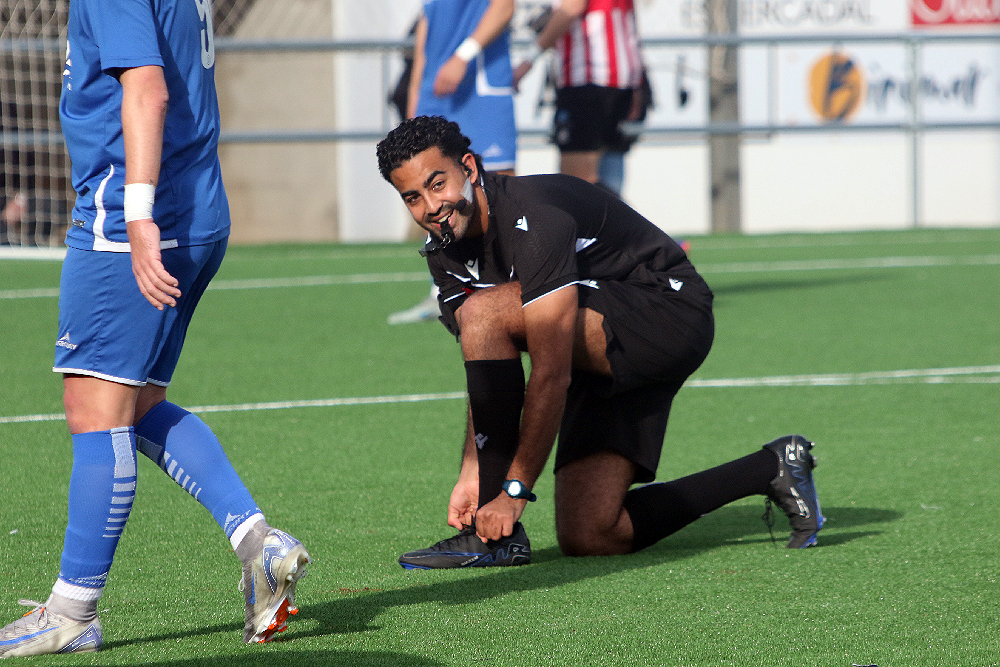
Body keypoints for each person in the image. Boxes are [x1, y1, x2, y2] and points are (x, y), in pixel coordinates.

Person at [0, 0, 310, 657]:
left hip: (133, 217)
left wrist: (136, 215)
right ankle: (258, 542)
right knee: (139, 403)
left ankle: (72, 609)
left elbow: (147, 84)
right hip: (197, 209)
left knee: (94, 407)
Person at [375, 116, 823, 568]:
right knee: (592, 533)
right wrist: (473, 468)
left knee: (485, 310)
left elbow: (551, 371)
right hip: (597, 342)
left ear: (469, 168)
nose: (432, 205)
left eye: (438, 183)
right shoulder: (444, 253)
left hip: (668, 316)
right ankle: (773, 466)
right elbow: (489, 370)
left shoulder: (534, 213)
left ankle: (496, 540)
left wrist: (510, 492)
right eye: (413, 197)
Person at [388, 0, 517, 325]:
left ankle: (512, 283)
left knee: (498, 190)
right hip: (436, 94)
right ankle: (442, 290)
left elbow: (504, 7)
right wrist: (412, 113)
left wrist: (462, 56)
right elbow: (424, 45)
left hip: (482, 89)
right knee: (430, 194)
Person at [513, 0, 645, 192]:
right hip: (621, 80)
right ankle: (620, 220)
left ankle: (616, 221)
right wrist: (638, 83)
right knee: (608, 176)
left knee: (577, 185)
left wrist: (527, 61)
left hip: (588, 79)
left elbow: (572, 7)